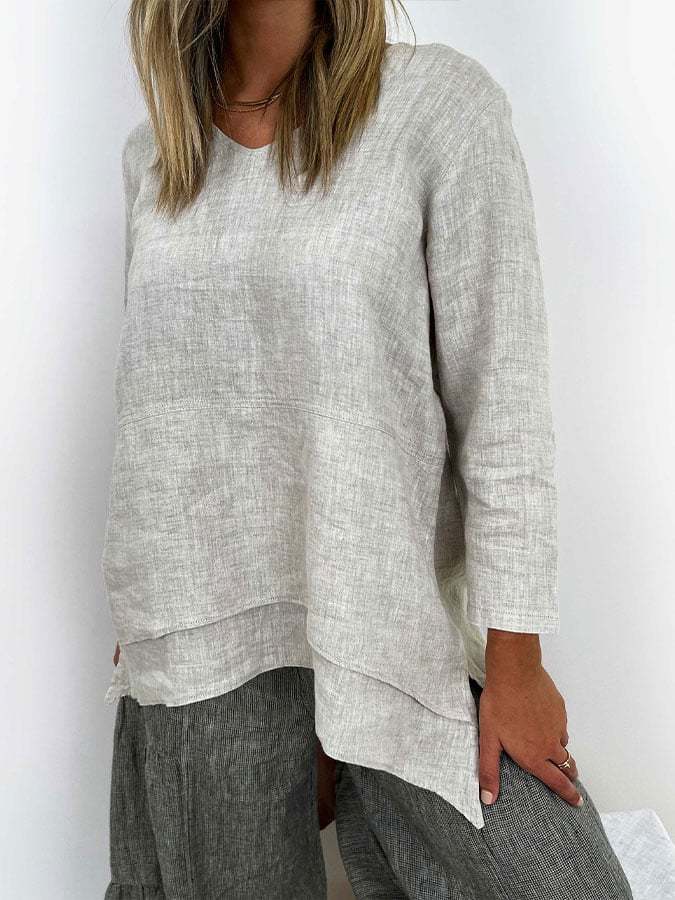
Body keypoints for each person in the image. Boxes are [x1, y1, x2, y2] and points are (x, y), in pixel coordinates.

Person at [102, 1, 633, 897]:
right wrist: (148, 622)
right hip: (198, 632)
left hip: (388, 624)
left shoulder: (436, 104)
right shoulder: (155, 155)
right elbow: (168, 408)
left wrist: (516, 660)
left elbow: (501, 399)